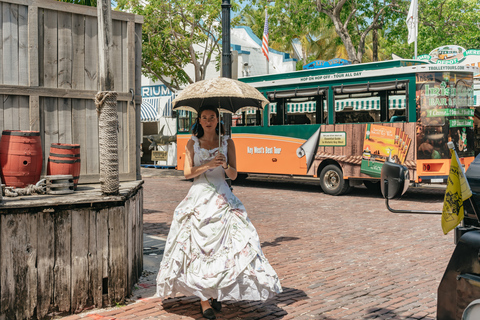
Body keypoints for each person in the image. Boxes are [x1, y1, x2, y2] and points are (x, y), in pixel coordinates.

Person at [156, 105, 282, 319]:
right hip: (199, 197)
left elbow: (234, 174)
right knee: (198, 248)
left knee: (224, 247)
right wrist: (207, 164)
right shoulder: (191, 143)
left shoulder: (227, 142)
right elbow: (187, 173)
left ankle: (215, 293)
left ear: (218, 120)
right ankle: (204, 300)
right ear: (199, 120)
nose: (208, 121)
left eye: (212, 117)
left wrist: (224, 165)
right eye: (204, 118)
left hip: (223, 197)